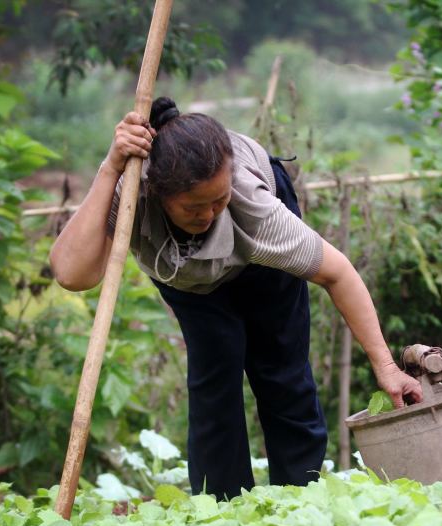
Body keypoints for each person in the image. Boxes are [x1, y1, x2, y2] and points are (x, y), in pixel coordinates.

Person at [49, 97, 422, 499]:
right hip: (186, 274)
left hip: (262, 260)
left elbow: (338, 273)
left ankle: (302, 504)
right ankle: (221, 517)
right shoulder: (133, 193)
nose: (209, 215)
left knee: (283, 374)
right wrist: (110, 168)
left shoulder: (249, 201)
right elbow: (72, 274)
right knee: (214, 382)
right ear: (159, 195)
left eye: (217, 200)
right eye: (194, 208)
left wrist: (385, 366)